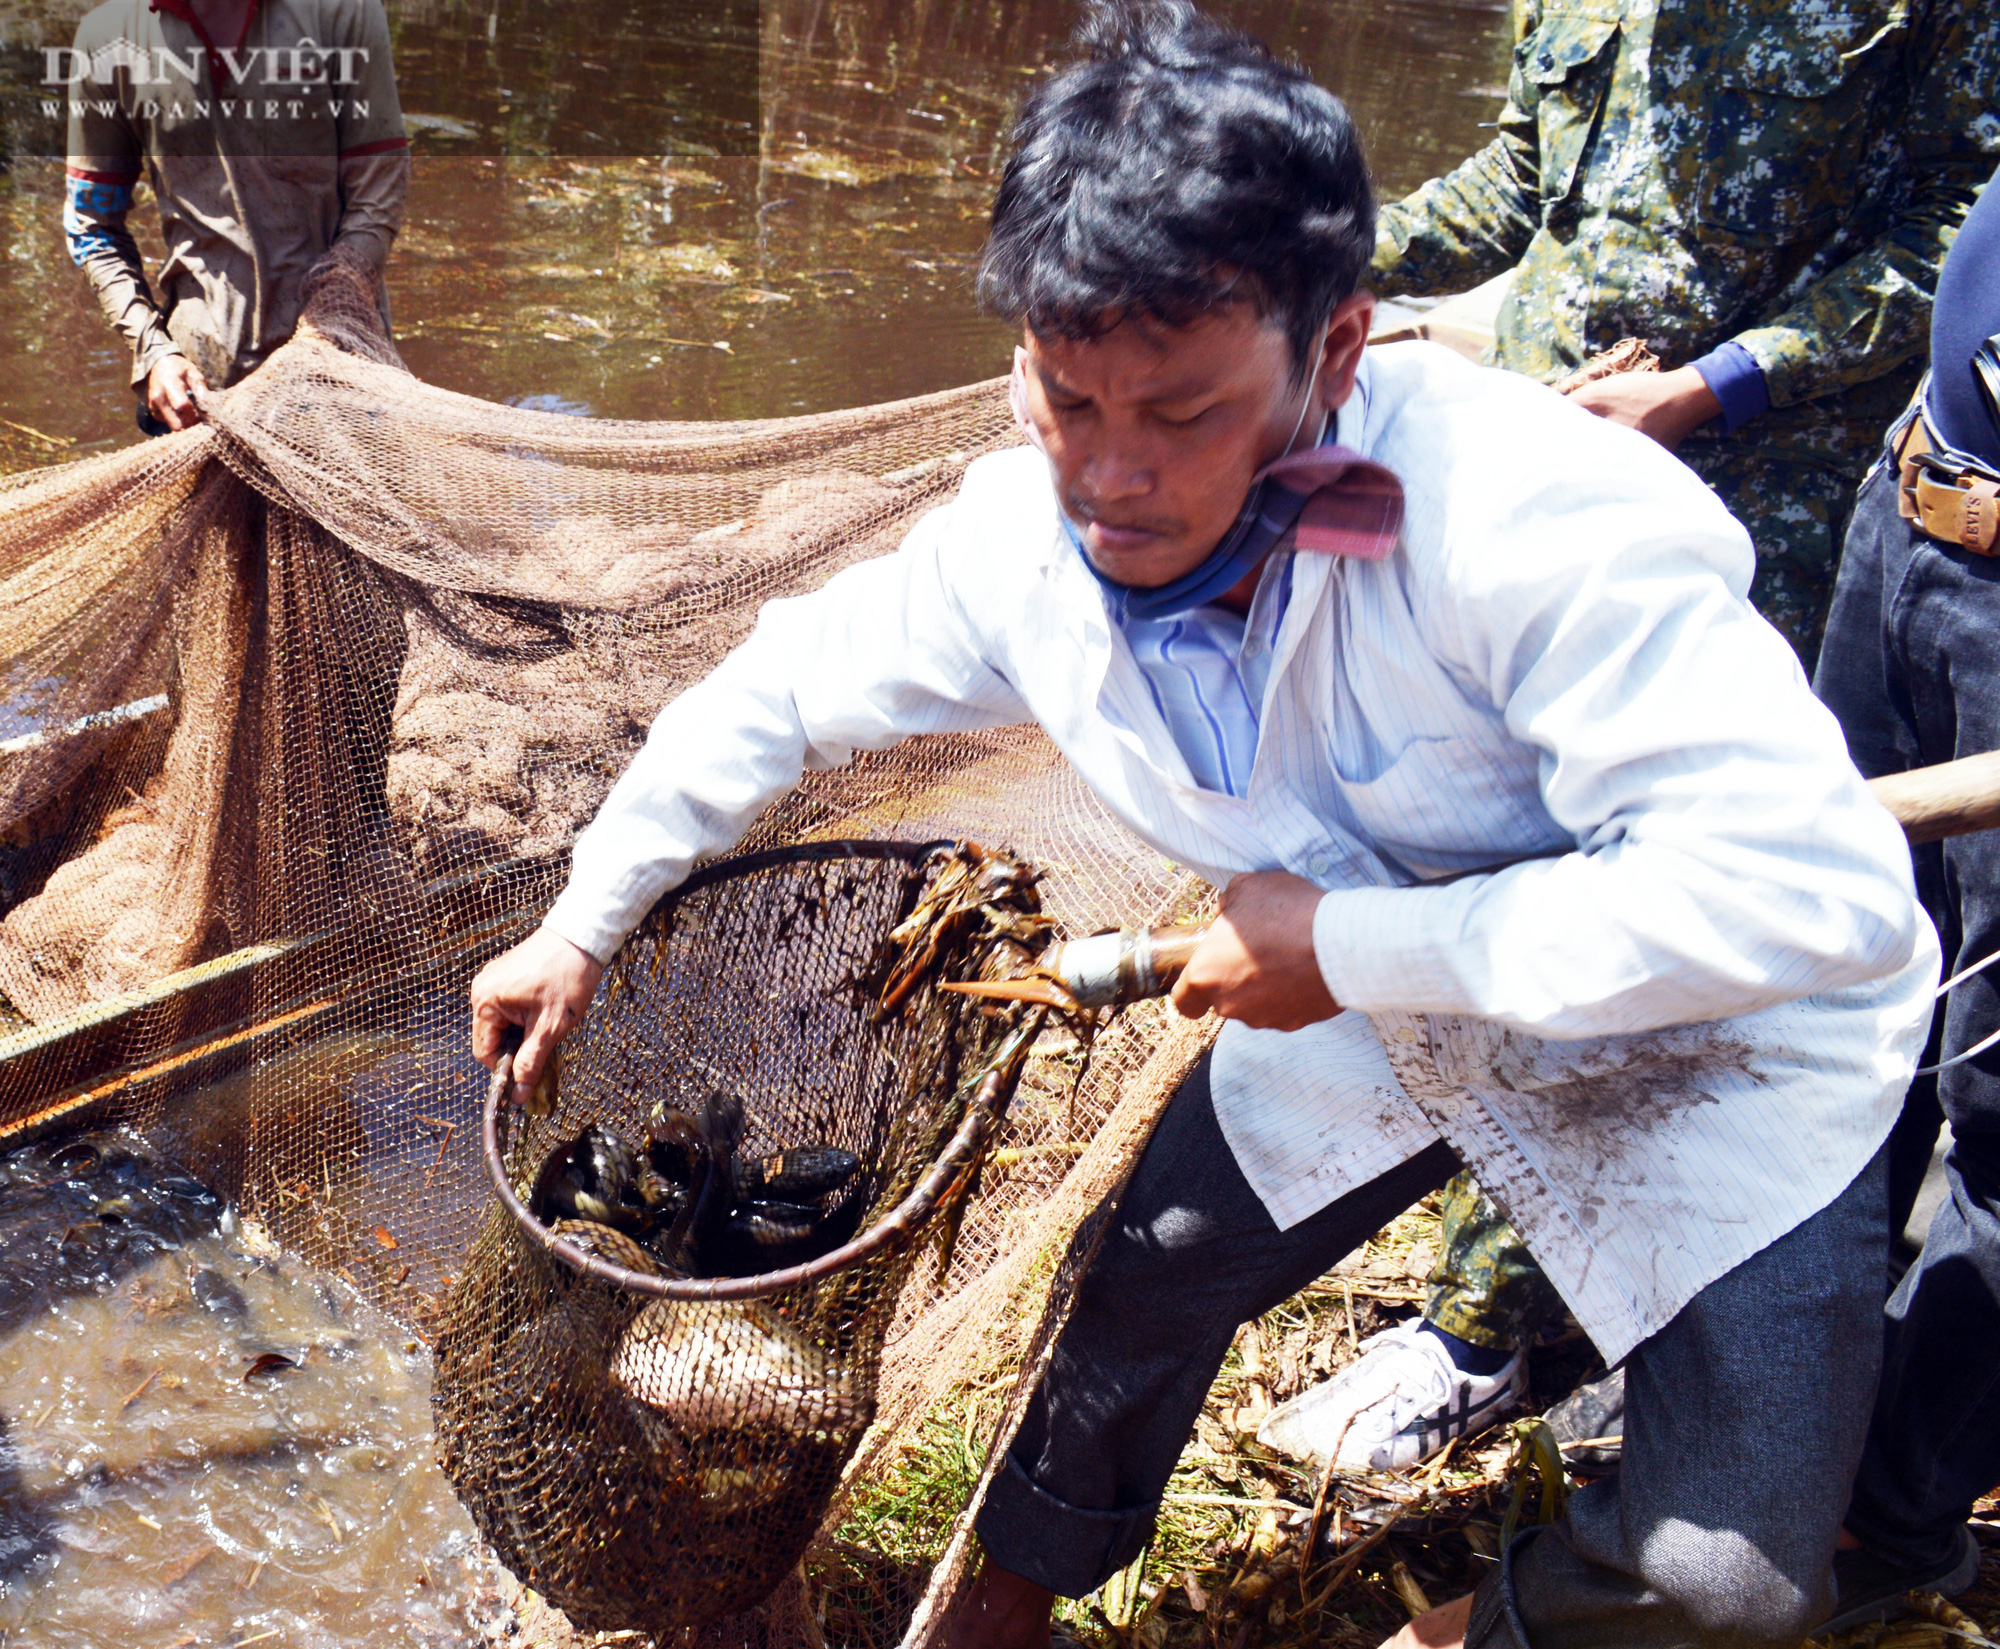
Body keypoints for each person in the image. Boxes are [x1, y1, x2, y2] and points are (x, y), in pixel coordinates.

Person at [469, 7, 1936, 1645]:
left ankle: (1477, 1626)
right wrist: (586, 914)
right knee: (1146, 1257)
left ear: (1337, 349)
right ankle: (992, 1609)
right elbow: (781, 689)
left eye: (1179, 410)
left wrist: (1346, 943)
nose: (1110, 478)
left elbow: (1821, 903)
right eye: (1066, 394)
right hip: (1381, 991)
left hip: (1709, 1032)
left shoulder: (1540, 528)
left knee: (1721, 1589)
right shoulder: (1019, 540)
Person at [1286, 0, 2000, 1465]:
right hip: (1533, 482)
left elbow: (1955, 232)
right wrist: (1306, 251)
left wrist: (1708, 387)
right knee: (1468, 846)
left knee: (1622, 906)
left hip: (1753, 513)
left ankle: (1487, 1331)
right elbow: (1528, 179)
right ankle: (1531, 1260)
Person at [1811, 167, 2000, 1630]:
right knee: (1828, 977)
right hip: (1913, 507)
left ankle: (1890, 1526)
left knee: (1997, 1107)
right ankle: (1784, 1379)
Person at [61, 0, 410, 436]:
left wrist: (338, 296)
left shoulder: (342, 11)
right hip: (200, 387)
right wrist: (155, 353)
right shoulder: (107, 38)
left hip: (344, 368)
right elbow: (93, 225)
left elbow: (378, 188)